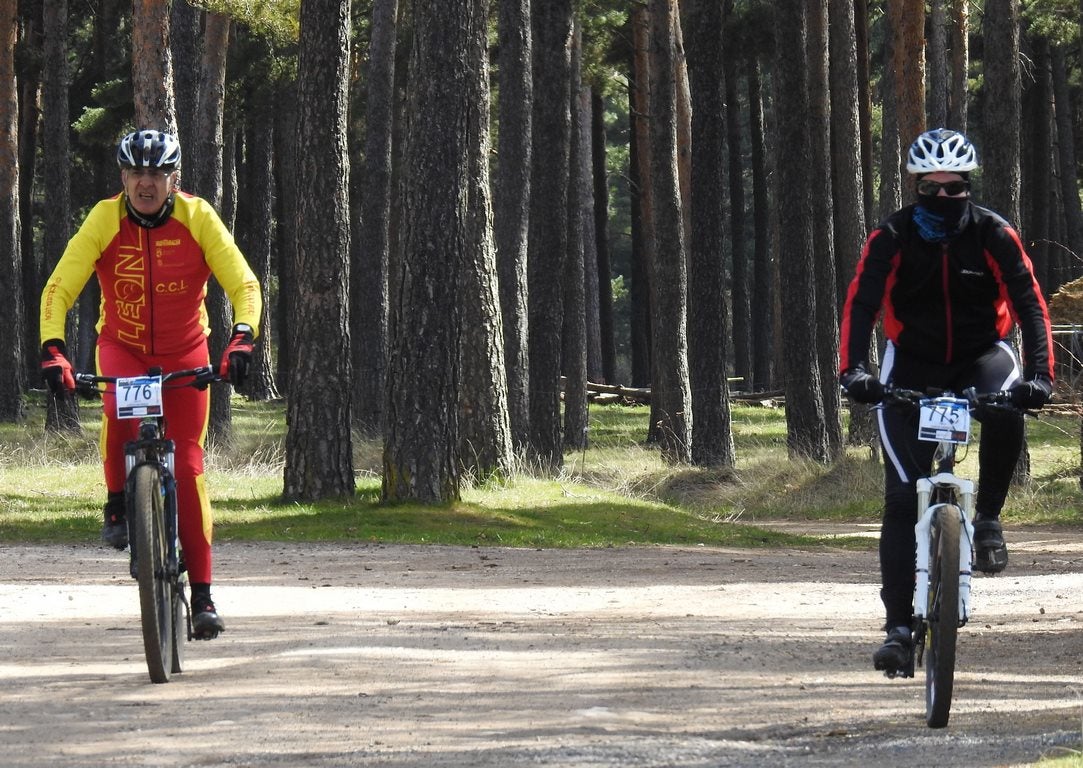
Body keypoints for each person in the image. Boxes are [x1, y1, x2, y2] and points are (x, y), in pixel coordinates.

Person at [838, 128, 1054, 676]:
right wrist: (854, 371)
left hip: (983, 354)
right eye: (930, 189)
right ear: (914, 188)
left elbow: (1031, 306)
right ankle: (898, 629)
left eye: (954, 189)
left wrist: (1041, 377)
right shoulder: (889, 237)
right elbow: (860, 305)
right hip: (911, 361)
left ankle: (987, 520)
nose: (942, 199)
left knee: (1007, 404)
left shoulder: (994, 234)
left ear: (968, 186)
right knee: (901, 496)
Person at [40, 129, 262, 640]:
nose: (146, 183)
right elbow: (60, 285)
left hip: (185, 353)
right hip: (124, 347)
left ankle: (203, 596)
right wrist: (53, 348)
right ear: (122, 177)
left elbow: (243, 282)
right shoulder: (104, 218)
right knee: (119, 414)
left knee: (186, 467)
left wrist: (242, 338)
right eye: (136, 173)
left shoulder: (197, 217)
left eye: (157, 173)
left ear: (172, 178)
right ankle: (118, 499)